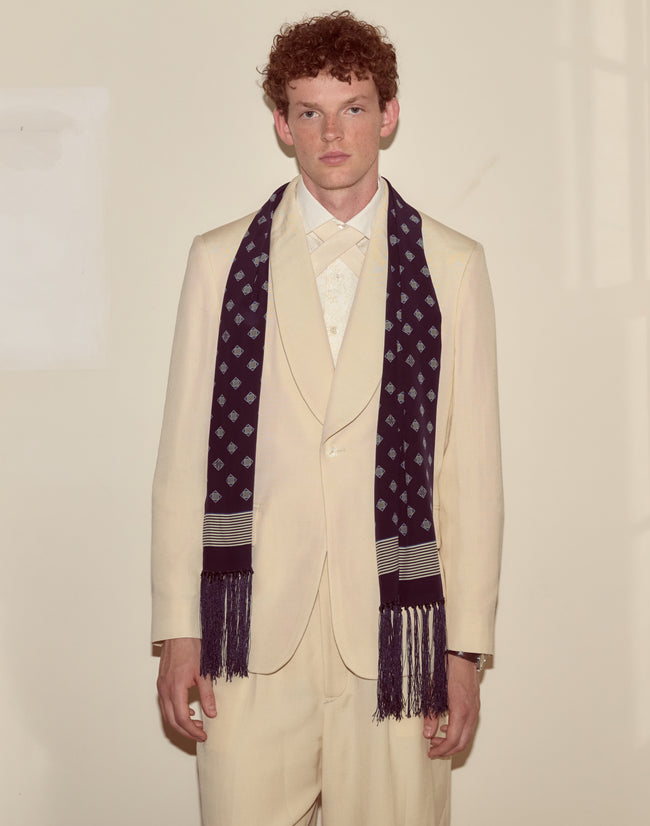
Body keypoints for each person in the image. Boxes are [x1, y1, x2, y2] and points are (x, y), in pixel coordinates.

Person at [152, 10, 503, 826]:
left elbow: (468, 470)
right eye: (309, 111)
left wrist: (465, 650)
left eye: (352, 107)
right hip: (247, 631)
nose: (332, 132)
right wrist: (177, 628)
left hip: (396, 626)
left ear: (388, 115)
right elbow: (182, 462)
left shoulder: (454, 265)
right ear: (282, 123)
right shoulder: (218, 261)